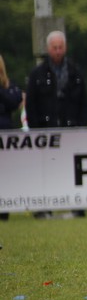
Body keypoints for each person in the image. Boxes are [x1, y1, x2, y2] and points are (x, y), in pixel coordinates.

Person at [27, 31, 87, 219]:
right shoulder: (37, 74)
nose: (57, 51)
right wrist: (35, 130)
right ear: (48, 49)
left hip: (71, 130)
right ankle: (43, 207)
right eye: (54, 48)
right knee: (46, 170)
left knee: (72, 169)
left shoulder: (75, 72)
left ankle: (76, 205)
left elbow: (84, 103)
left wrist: (81, 126)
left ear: (65, 48)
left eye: (60, 47)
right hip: (46, 131)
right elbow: (31, 104)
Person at [0, 54, 21, 221]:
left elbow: (14, 101)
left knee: (4, 174)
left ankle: (4, 210)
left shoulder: (7, 86)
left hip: (5, 137)